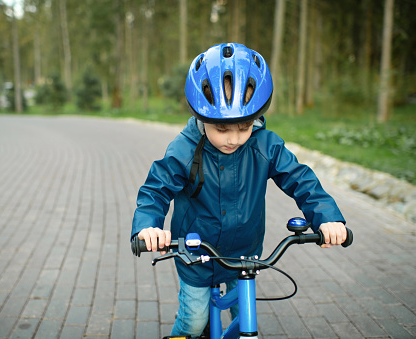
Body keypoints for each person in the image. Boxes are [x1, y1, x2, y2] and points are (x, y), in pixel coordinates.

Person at [131, 43, 347, 337]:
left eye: (244, 126)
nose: (233, 138)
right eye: (221, 129)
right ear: (201, 115)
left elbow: (301, 180)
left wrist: (327, 217)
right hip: (197, 255)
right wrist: (148, 228)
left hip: (245, 254)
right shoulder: (184, 150)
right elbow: (155, 191)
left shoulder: (265, 145)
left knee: (244, 318)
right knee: (194, 321)